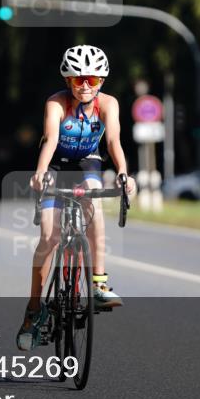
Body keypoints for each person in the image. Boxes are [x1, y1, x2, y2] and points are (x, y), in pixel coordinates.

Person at [18, 45, 136, 351]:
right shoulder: (56, 103)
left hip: (87, 163)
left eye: (92, 80)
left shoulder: (108, 104)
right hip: (56, 166)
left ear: (101, 81)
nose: (85, 85)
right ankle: (33, 310)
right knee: (49, 235)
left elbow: (113, 141)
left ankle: (98, 283)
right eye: (78, 79)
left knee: (95, 206)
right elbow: (51, 139)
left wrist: (123, 173)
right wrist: (40, 172)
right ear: (67, 80)